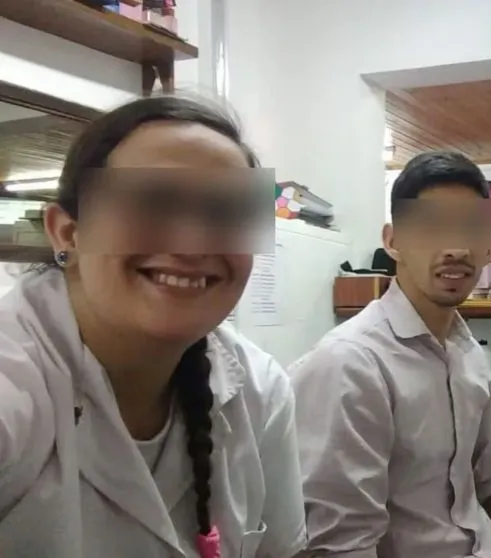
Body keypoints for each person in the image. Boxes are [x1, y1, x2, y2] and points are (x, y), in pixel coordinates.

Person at [0, 96, 307, 557]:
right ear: (67, 233)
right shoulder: (13, 385)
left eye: (225, 212)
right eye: (152, 202)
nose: (191, 243)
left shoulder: (259, 388)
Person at [290, 151, 491, 558]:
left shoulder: (467, 351)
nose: (456, 248)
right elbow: (341, 547)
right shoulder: (350, 365)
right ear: (393, 242)